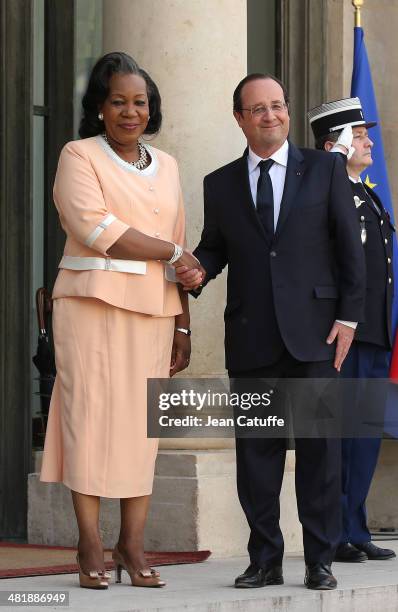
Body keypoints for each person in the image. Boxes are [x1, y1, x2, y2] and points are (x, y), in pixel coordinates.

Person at [176, 73, 366, 590]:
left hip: (317, 337)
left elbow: (351, 249)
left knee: (319, 453)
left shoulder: (326, 168)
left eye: (278, 106)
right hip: (253, 337)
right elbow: (216, 246)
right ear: (239, 118)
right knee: (256, 456)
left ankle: (320, 559)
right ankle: (264, 559)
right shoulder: (219, 183)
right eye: (257, 109)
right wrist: (197, 269)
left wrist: (348, 318)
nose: (270, 116)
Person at [40, 51, 202, 590]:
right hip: (90, 306)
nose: (130, 112)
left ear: (150, 109)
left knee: (142, 430)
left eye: (140, 102)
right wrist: (172, 251)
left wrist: (182, 325)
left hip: (154, 313)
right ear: (100, 108)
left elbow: (177, 250)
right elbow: (96, 226)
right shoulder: (78, 155)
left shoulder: (171, 165)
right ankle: (89, 540)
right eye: (118, 102)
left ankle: (131, 543)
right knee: (88, 420)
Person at [308, 97, 396, 563]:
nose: (368, 141)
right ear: (334, 145)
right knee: (340, 436)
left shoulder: (366, 193)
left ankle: (355, 527)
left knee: (362, 437)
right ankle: (336, 532)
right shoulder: (330, 192)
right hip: (347, 333)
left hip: (375, 332)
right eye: (359, 135)